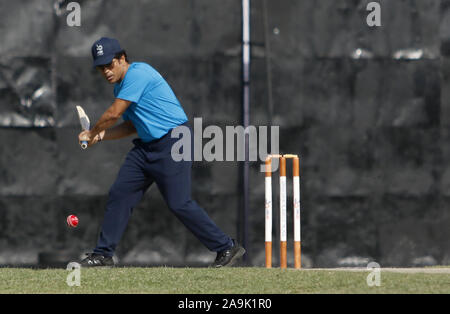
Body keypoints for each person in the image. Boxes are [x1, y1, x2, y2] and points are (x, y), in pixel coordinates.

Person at [78, 37, 245, 267]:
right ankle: (103, 254)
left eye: (110, 64)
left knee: (179, 203)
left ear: (122, 59)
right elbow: (131, 125)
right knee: (120, 194)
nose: (106, 71)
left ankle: (227, 247)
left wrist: (92, 131)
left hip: (174, 141)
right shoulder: (121, 85)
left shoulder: (137, 74)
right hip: (146, 148)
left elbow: (113, 115)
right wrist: (101, 135)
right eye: (101, 68)